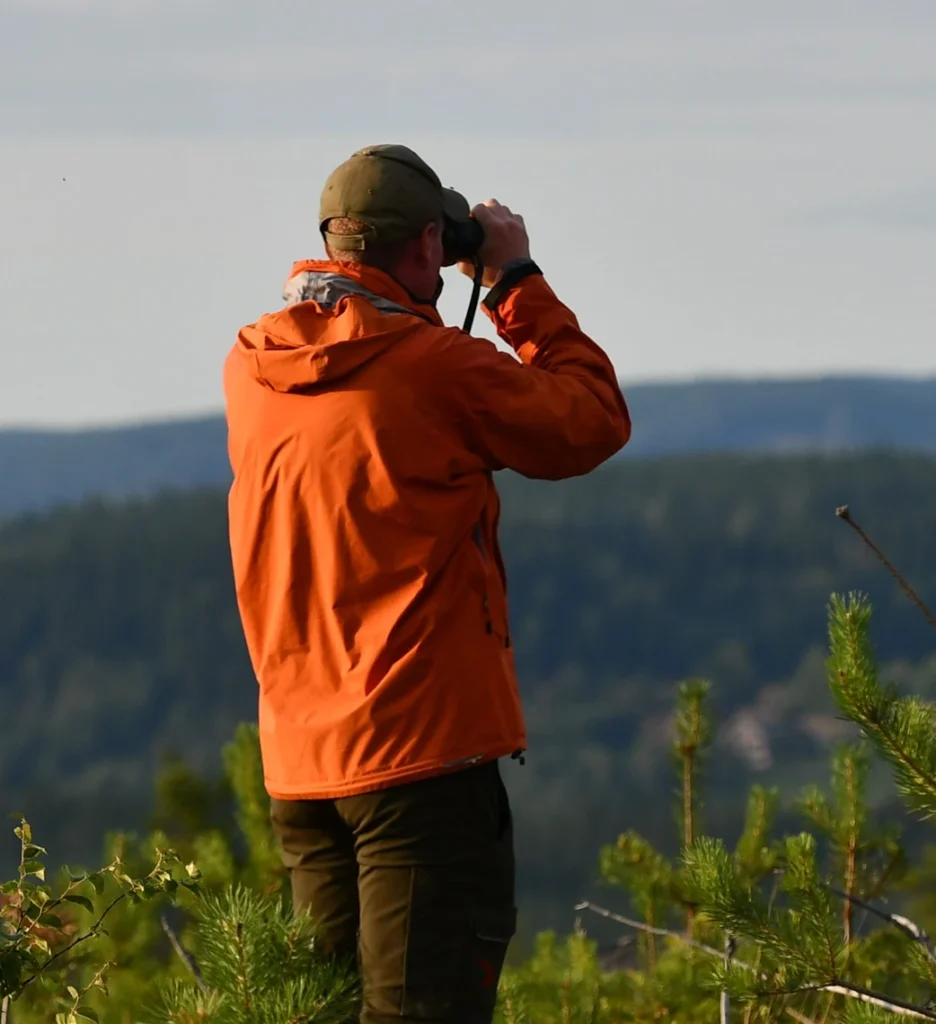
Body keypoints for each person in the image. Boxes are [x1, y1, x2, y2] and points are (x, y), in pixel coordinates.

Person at [223, 144, 631, 1023]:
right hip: (419, 759)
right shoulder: (433, 368)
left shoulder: (252, 369)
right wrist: (514, 275)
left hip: (301, 766)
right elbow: (591, 420)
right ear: (424, 250)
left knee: (320, 1012)